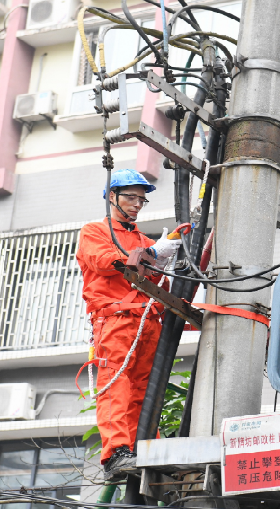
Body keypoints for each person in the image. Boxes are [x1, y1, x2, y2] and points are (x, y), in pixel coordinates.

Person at [76, 169, 181, 477]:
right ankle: (117, 452)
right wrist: (152, 254)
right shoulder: (94, 231)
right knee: (117, 383)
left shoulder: (142, 240)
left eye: (141, 199)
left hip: (147, 320)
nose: (137, 204)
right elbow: (109, 262)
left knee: (146, 389)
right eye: (131, 197)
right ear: (112, 197)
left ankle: (147, 449)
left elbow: (155, 279)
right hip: (115, 319)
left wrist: (164, 255)